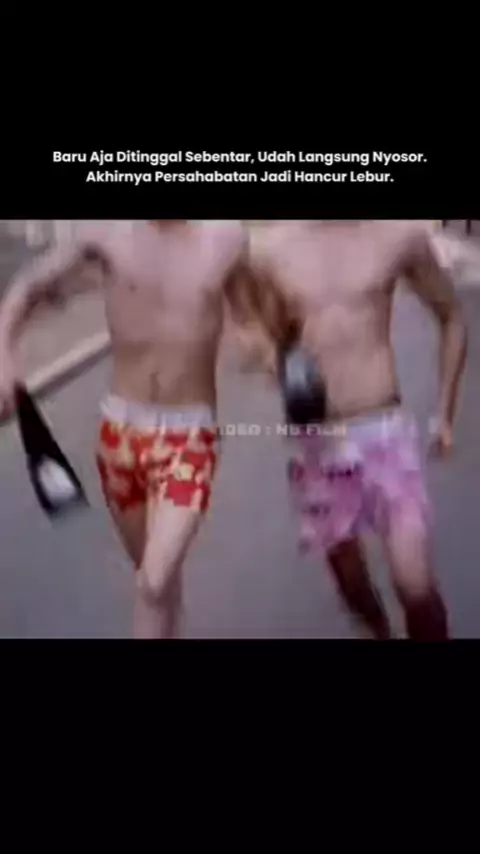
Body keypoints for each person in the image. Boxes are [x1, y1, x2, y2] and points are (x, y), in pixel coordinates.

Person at [0, 220, 247, 639]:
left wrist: (268, 348)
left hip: (190, 437)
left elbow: (257, 308)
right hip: (120, 435)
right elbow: (29, 286)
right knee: (153, 579)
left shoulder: (227, 238)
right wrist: (3, 355)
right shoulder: (106, 232)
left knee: (154, 579)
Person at [234, 220, 467, 640]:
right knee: (351, 582)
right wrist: (266, 354)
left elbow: (451, 316)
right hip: (318, 442)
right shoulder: (270, 251)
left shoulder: (398, 234)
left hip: (385, 433)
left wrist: (445, 414)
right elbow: (260, 331)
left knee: (415, 582)